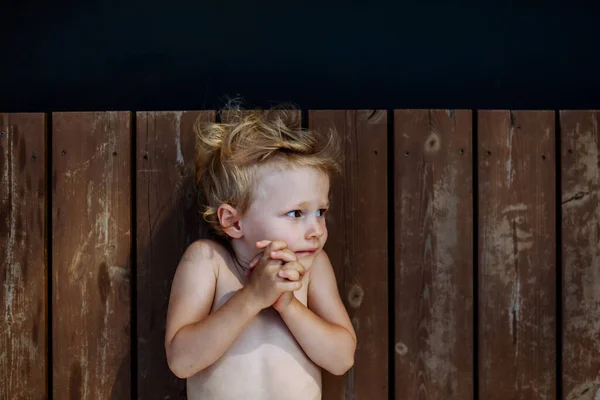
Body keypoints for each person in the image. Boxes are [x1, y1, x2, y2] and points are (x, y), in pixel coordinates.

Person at [164, 106, 357, 400]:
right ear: (233, 221)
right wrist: (253, 297)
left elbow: (342, 359)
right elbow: (181, 361)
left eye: (320, 211)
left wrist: (289, 306)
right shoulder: (208, 262)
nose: (316, 229)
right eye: (296, 213)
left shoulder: (313, 266)